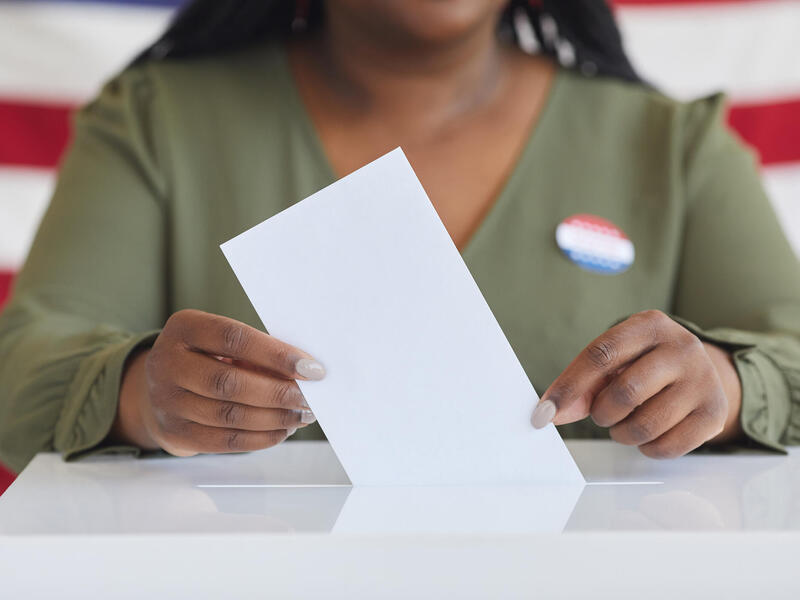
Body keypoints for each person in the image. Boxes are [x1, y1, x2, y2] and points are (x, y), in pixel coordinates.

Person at [1, 0, 799, 475]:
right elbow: (23, 364)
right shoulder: (156, 122)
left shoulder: (674, 147)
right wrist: (143, 395)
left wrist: (725, 389)